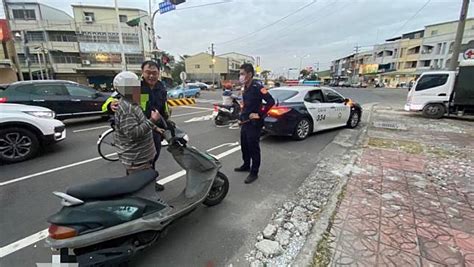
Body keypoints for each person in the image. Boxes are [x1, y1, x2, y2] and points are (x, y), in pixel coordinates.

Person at [107, 60, 170, 169]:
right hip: (141, 127)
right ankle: (145, 179)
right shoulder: (135, 85)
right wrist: (110, 105)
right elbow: (116, 97)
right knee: (140, 161)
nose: (151, 75)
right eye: (148, 72)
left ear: (159, 73)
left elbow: (163, 106)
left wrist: (166, 118)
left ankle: (151, 178)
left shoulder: (161, 87)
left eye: (154, 73)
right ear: (142, 72)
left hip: (155, 127)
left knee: (153, 155)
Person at [112, 72, 164, 192]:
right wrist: (153, 121)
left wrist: (156, 128)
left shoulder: (135, 100)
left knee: (146, 179)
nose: (152, 76)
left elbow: (141, 119)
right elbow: (133, 133)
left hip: (144, 153)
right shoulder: (127, 107)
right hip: (137, 157)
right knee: (141, 189)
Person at [234, 63, 275, 184]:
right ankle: (246, 165)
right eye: (240, 74)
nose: (240, 76)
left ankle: (254, 172)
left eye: (242, 74)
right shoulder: (244, 87)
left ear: (249, 74)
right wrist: (240, 118)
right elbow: (245, 105)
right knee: (244, 146)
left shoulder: (258, 87)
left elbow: (270, 101)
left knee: (253, 148)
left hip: (254, 123)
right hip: (245, 121)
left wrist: (260, 114)